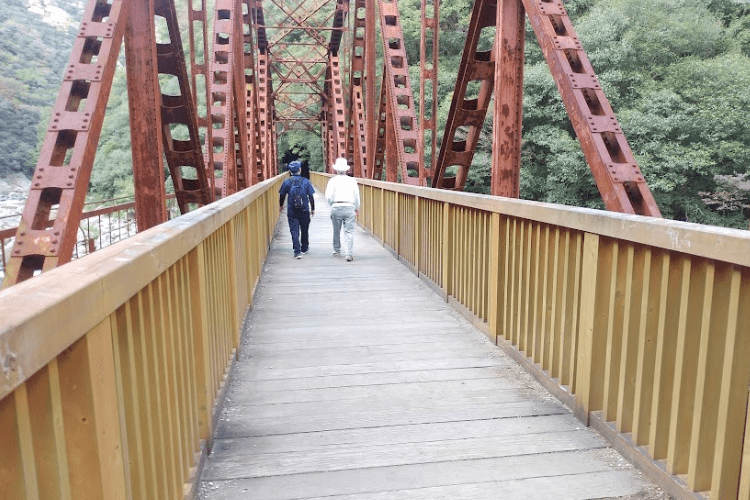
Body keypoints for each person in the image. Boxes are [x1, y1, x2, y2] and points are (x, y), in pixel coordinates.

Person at [325, 158, 360, 262]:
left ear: (336, 170)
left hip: (336, 206)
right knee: (349, 231)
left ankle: (337, 251)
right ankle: (349, 254)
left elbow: (328, 196)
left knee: (336, 230)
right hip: (349, 206)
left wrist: (332, 205)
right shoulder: (352, 180)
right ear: (347, 170)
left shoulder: (332, 180)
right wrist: (357, 207)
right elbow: (357, 196)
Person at [279, 160, 315, 259]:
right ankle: (304, 248)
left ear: (290, 171)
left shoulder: (287, 181)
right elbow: (311, 196)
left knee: (294, 230)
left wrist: (281, 205)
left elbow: (282, 194)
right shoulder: (305, 181)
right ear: (300, 169)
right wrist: (312, 208)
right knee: (304, 229)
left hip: (292, 209)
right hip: (304, 208)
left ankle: (297, 251)